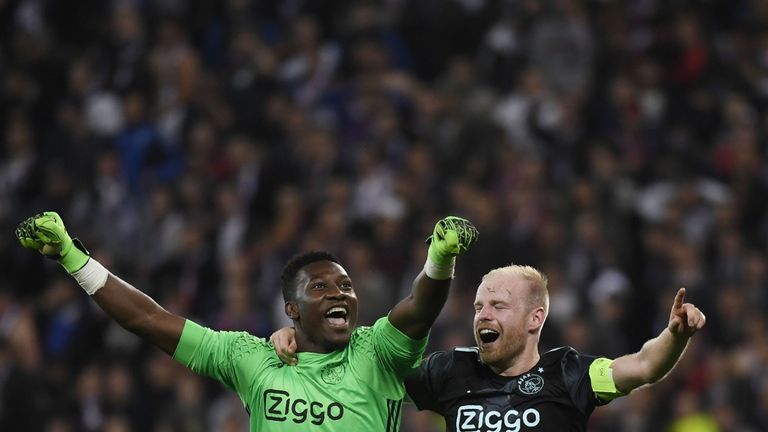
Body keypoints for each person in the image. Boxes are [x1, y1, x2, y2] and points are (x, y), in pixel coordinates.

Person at [15, 211, 478, 431]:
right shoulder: (250, 357)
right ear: (291, 310)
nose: (340, 293)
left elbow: (418, 309)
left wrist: (438, 258)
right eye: (321, 287)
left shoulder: (378, 351)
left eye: (346, 286)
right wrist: (74, 258)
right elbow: (149, 320)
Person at [271, 264, 706, 431]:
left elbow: (645, 365)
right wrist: (300, 340)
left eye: (498, 305)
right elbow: (367, 369)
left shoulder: (570, 373)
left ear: (536, 318)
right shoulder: (451, 372)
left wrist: (675, 335)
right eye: (479, 305)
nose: (482, 315)